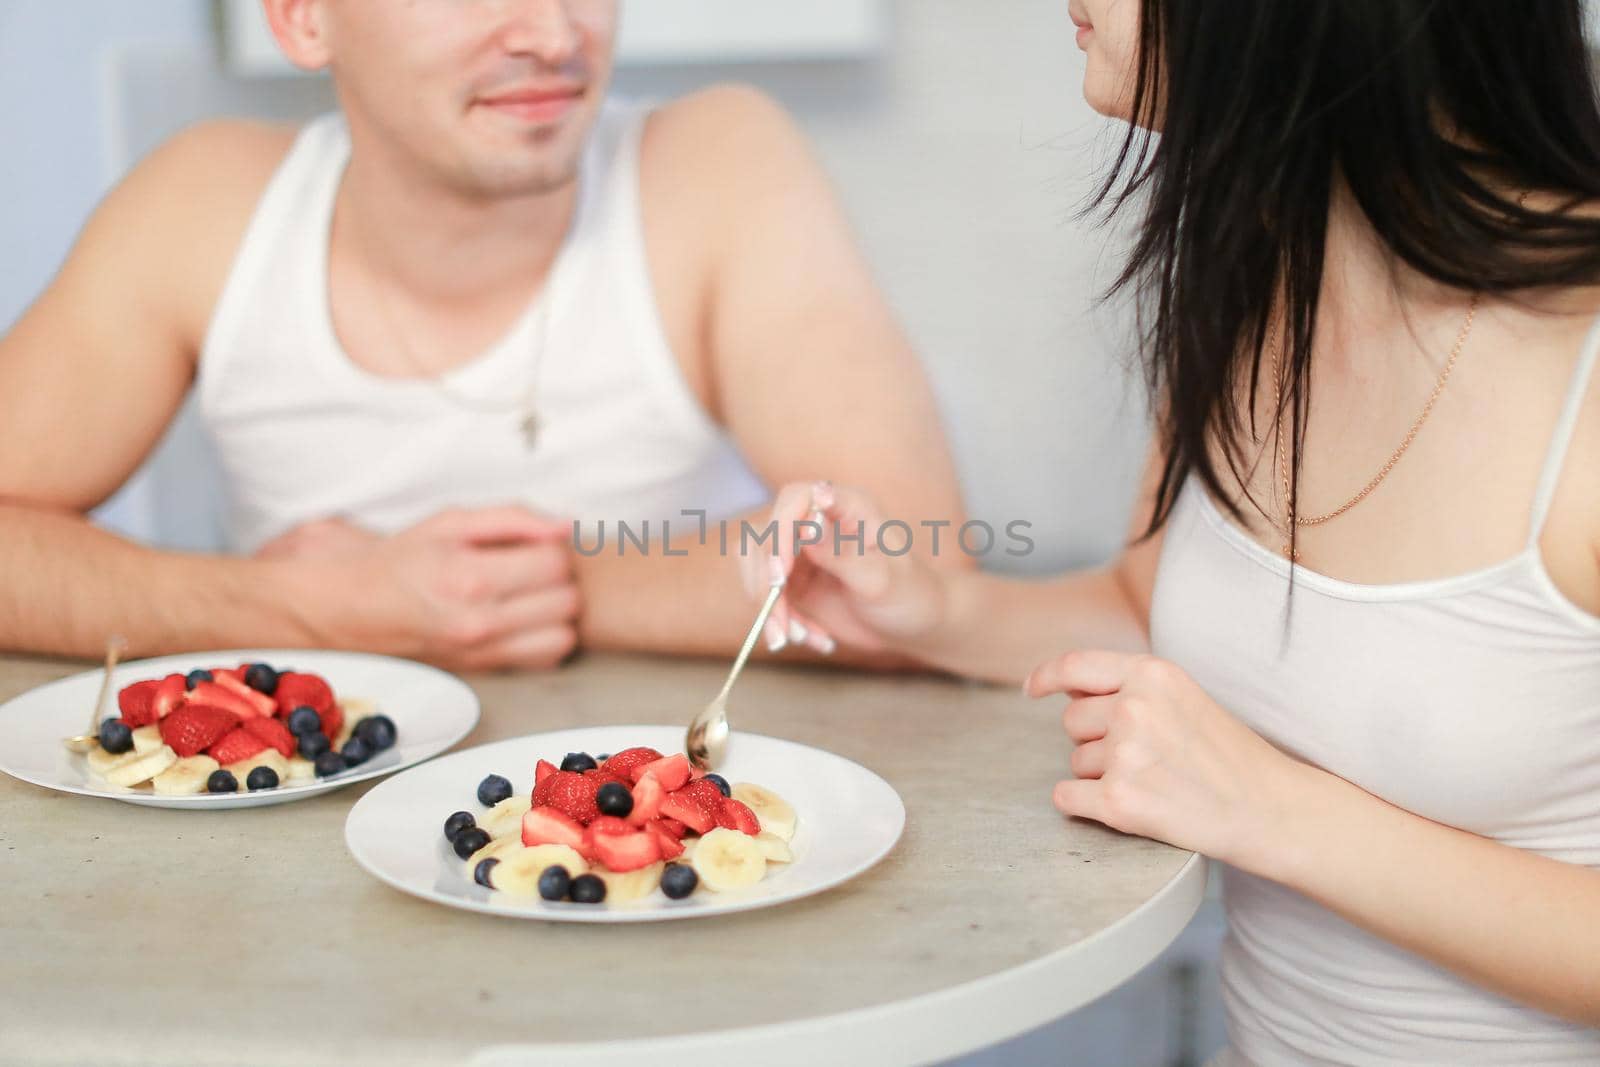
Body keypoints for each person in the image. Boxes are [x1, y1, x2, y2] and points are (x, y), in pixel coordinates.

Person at [747, 2, 1600, 1062]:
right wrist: (932, 610)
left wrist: (1274, 808)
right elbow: (1150, 610)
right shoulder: (1259, 271)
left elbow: (1249, 783)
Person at [0, 0, 966, 671]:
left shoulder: (716, 165)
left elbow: (917, 568)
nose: (553, 35)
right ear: (303, 19)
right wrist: (301, 606)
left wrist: (470, 596)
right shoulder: (202, 205)